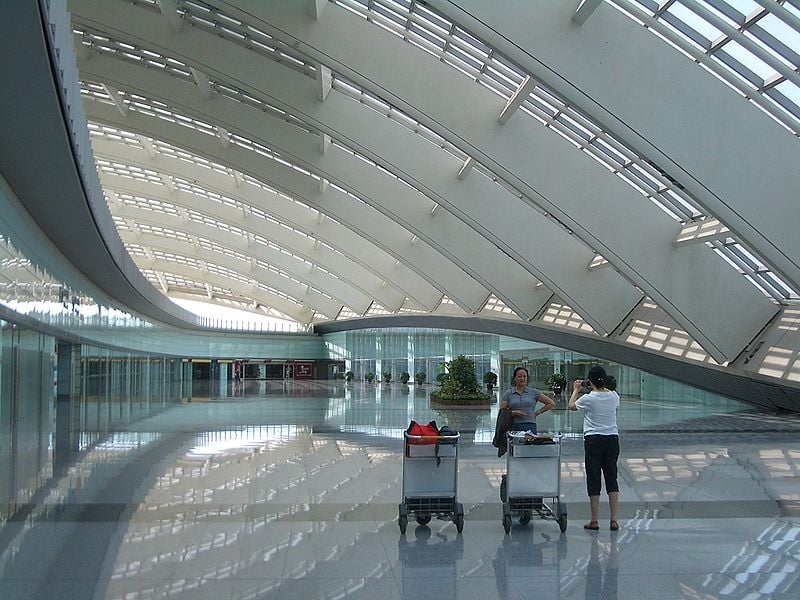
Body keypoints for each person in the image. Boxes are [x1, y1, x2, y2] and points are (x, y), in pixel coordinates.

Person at [569, 365, 620, 531]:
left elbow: (571, 405)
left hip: (593, 440)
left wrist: (576, 390)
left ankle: (595, 520)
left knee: (594, 478)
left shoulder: (588, 398)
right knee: (612, 477)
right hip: (612, 439)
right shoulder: (614, 396)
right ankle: (614, 520)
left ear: (589, 381)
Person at [500, 366, 556, 434]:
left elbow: (551, 403)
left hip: (530, 425)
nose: (522, 378)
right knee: (514, 444)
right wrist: (514, 412)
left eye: (524, 376)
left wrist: (537, 412)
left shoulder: (534, 392)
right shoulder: (508, 393)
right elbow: (502, 412)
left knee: (530, 444)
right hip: (513, 425)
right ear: (515, 378)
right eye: (519, 376)